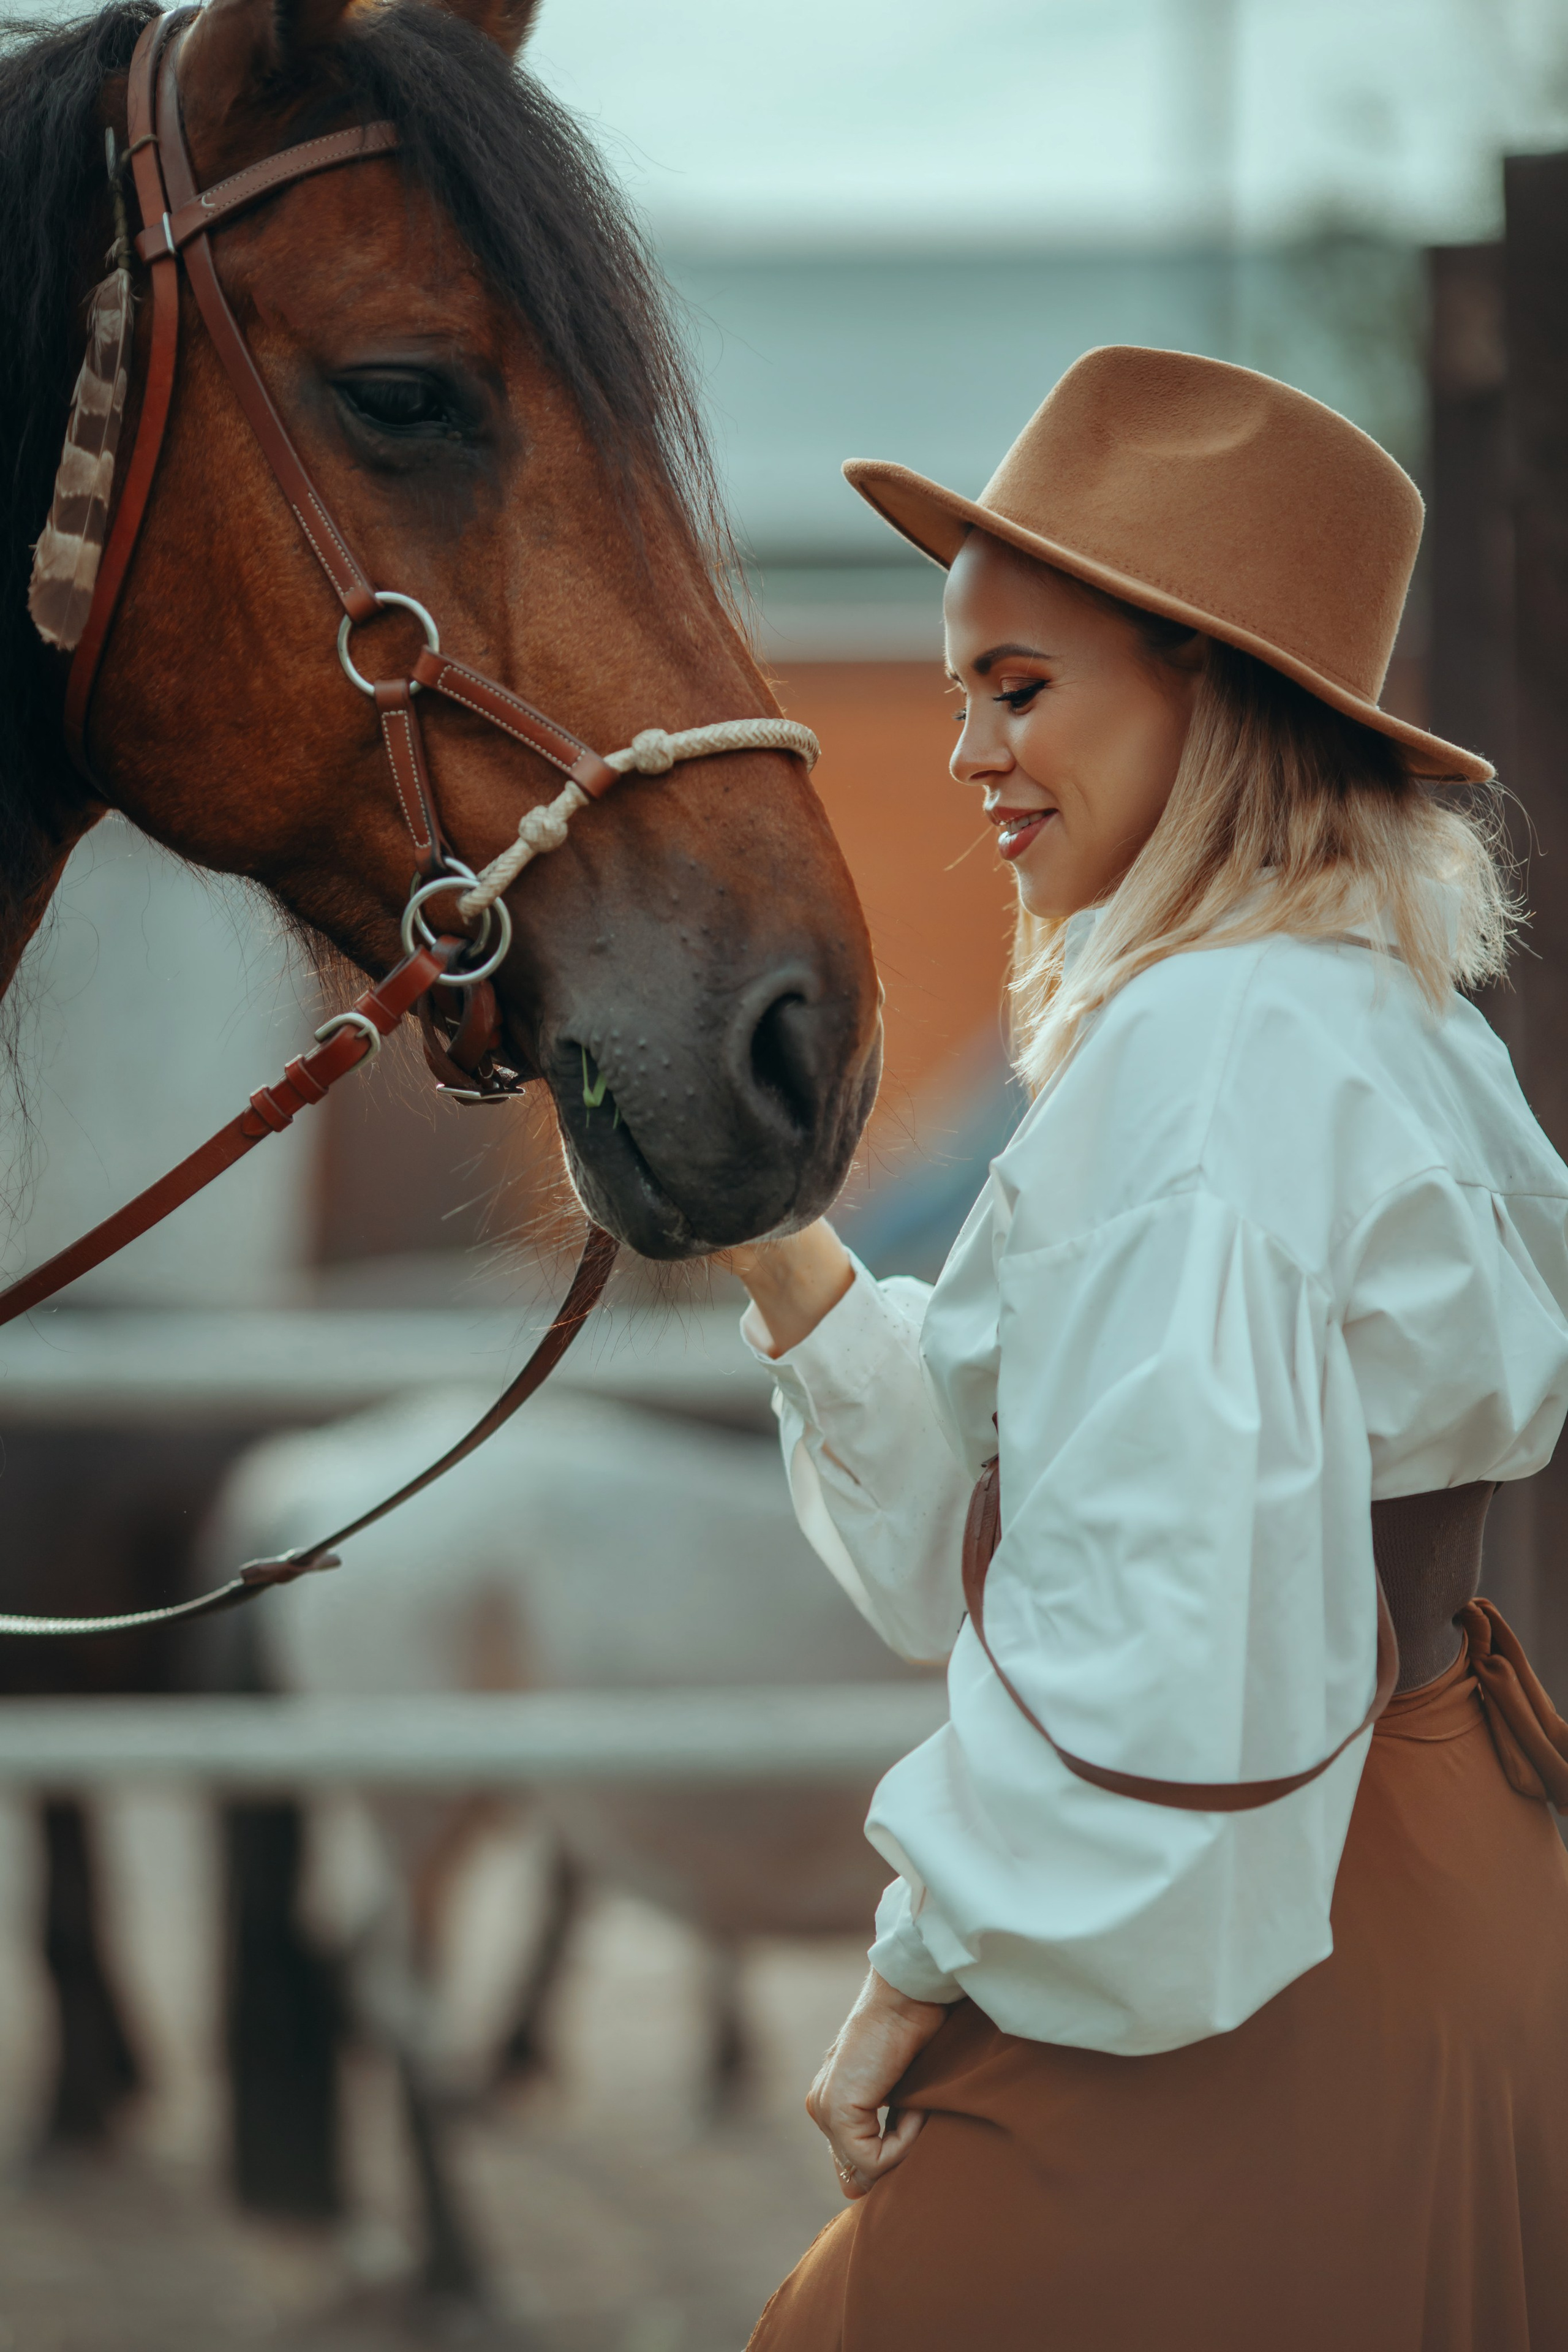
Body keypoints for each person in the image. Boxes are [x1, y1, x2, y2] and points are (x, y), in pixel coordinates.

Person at [729, 345, 1568, 2351]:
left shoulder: (1196, 1056)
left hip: (1259, 1920)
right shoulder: (1389, 1019)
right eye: (956, 696)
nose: (965, 752)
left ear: (1206, 682)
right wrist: (765, 1245)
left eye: (1016, 688)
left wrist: (914, 1967)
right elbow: (1040, 1485)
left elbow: (1161, 1622)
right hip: (1454, 1878)